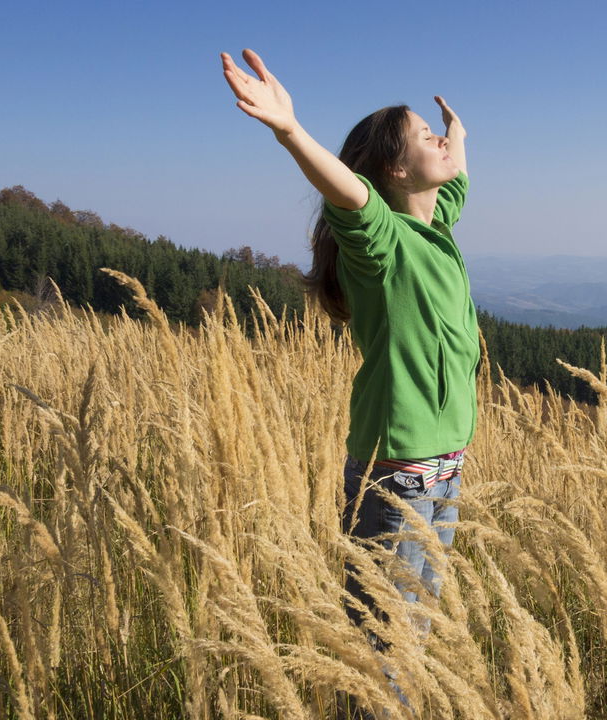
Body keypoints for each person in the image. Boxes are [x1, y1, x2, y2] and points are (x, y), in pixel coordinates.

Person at [221, 48, 479, 715]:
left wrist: (460, 141)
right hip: (395, 480)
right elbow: (351, 194)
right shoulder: (382, 242)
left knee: (410, 650)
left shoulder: (437, 227)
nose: (440, 140)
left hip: (444, 474)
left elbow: (452, 184)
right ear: (394, 168)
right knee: (379, 665)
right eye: (427, 137)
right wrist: (290, 131)